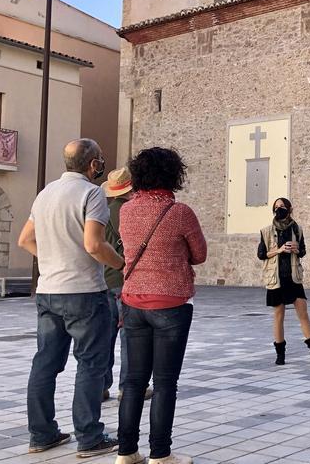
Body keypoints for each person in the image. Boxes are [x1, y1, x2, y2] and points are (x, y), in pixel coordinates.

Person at [18, 139, 124, 457]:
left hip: (49, 290)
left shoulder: (45, 194)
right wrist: (121, 263)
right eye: (100, 160)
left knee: (45, 364)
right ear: (92, 164)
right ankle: (89, 437)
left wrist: (52, 259)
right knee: (91, 364)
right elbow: (93, 244)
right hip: (84, 293)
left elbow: (25, 239)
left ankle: (42, 434)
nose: (101, 165)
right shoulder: (92, 194)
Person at [114, 147, 207, 464]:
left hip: (133, 302)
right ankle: (160, 453)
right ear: (173, 175)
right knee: (165, 382)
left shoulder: (126, 211)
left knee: (134, 381)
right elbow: (199, 255)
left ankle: (126, 451)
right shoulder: (180, 213)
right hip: (171, 303)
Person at [100, 167, 153, 403]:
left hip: (103, 279)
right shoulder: (134, 212)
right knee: (130, 337)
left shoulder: (101, 211)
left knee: (104, 338)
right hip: (128, 279)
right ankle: (128, 387)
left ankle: (100, 386)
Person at [258, 197, 310, 365]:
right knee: (278, 315)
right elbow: (261, 254)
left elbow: (303, 251)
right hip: (276, 278)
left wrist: (297, 249)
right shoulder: (266, 231)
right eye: (276, 207)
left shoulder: (297, 229)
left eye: (282, 206)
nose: (279, 209)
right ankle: (280, 355)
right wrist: (279, 250)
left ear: (289, 209)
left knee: (303, 312)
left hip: (293, 276)